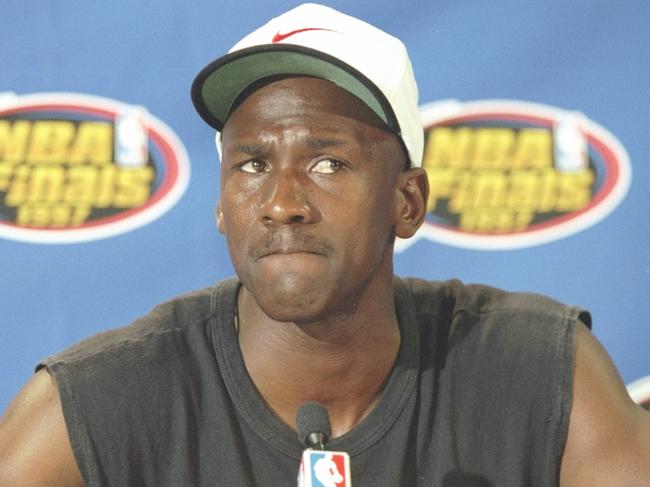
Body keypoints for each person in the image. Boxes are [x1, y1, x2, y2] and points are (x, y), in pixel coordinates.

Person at [1, 4, 649, 486]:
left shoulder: (539, 374)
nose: (282, 202)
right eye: (252, 163)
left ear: (408, 201)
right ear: (223, 205)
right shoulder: (99, 405)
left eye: (328, 163)